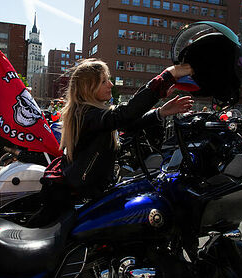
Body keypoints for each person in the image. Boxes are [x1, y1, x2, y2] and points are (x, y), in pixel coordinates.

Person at [29, 58, 194, 226]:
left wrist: (161, 112)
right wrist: (168, 75)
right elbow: (125, 115)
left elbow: (128, 124)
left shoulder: (92, 113)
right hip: (75, 196)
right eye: (104, 81)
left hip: (88, 190)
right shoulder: (86, 114)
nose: (110, 84)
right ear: (88, 88)